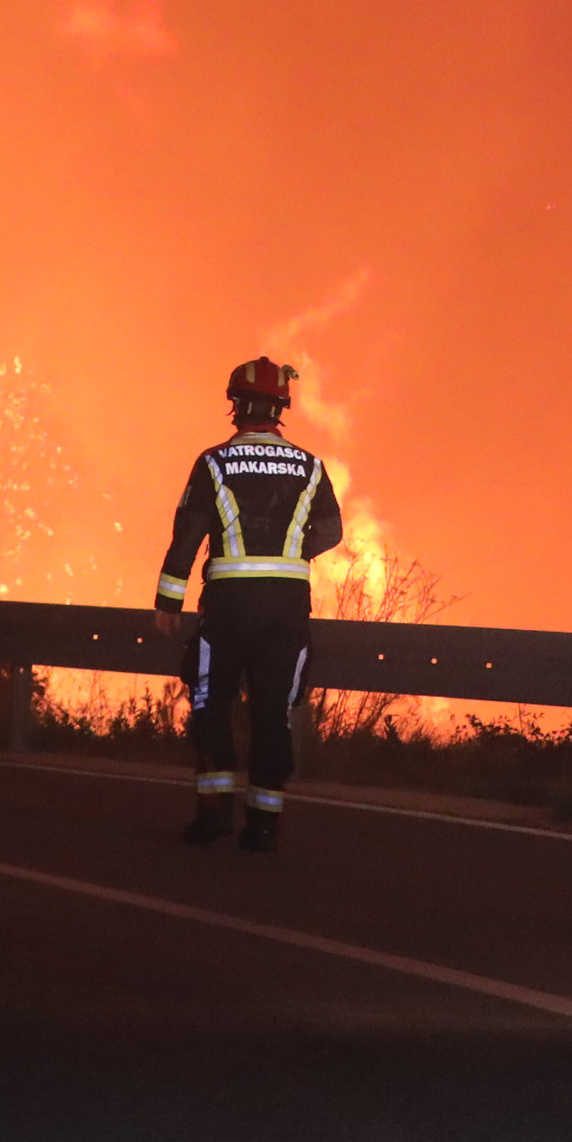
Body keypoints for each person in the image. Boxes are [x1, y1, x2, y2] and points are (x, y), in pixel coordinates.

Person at [156, 356, 342, 850]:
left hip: (229, 609)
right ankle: (264, 825)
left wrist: (167, 600)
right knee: (272, 712)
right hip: (286, 608)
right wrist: (290, 554)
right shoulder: (312, 466)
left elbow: (187, 535)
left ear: (235, 407)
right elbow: (331, 531)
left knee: (211, 702)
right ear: (282, 407)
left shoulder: (214, 463)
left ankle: (215, 812)